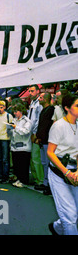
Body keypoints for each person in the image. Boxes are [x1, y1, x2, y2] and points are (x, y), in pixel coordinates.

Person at [46, 94, 78, 235]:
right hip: (59, 172)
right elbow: (50, 152)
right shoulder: (58, 126)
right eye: (77, 105)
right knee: (70, 216)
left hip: (75, 171)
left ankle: (57, 228)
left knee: (74, 212)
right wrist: (66, 172)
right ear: (67, 108)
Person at [9, 103, 33, 188]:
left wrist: (16, 128)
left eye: (16, 111)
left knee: (23, 165)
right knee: (17, 165)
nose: (14, 113)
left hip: (24, 147)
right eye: (14, 112)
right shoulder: (14, 120)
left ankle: (24, 181)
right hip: (15, 146)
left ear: (21, 111)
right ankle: (19, 179)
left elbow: (25, 131)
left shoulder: (27, 121)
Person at [36, 92, 55, 194]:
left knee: (47, 163)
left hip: (47, 140)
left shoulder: (50, 110)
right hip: (42, 140)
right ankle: (45, 183)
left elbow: (46, 126)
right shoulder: (44, 110)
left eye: (41, 97)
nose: (39, 99)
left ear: (46, 99)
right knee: (44, 162)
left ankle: (49, 185)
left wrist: (41, 137)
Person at [27, 84, 45, 190]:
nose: (30, 93)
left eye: (32, 91)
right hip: (30, 133)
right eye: (29, 91)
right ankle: (36, 179)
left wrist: (35, 134)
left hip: (35, 134)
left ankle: (40, 180)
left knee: (36, 158)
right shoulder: (32, 103)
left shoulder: (39, 103)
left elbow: (38, 120)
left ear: (37, 91)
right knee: (33, 159)